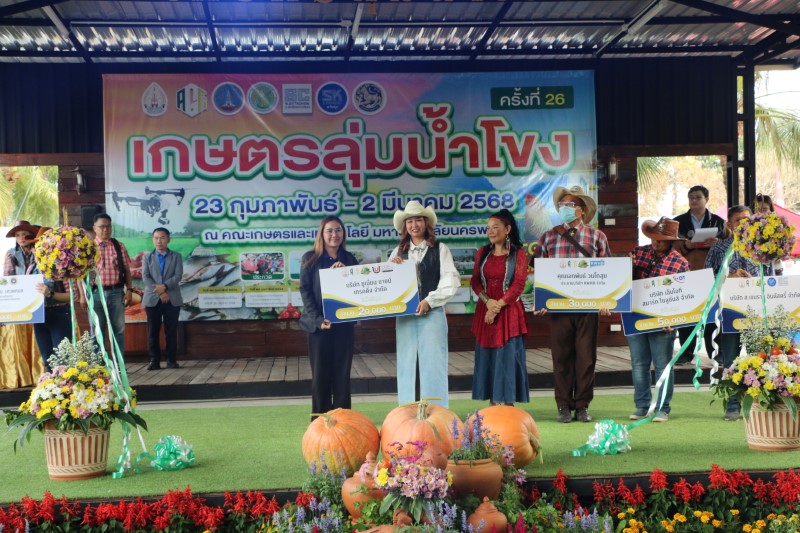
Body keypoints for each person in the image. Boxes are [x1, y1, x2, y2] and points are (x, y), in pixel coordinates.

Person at [534, 185, 611, 423]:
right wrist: (541, 300)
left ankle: (582, 405)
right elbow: (537, 272)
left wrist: (606, 301)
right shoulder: (548, 237)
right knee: (561, 358)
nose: (564, 208)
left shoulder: (597, 236)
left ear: (582, 210)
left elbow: (608, 271)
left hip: (588, 308)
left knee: (586, 358)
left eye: (570, 204)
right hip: (558, 308)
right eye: (562, 204)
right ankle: (563, 405)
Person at [705, 205, 773, 421]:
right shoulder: (718, 249)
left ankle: (760, 403)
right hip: (728, 313)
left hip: (756, 312)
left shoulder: (762, 247)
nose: (743, 224)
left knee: (758, 358)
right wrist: (728, 277)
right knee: (731, 360)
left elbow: (771, 278)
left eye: (747, 219)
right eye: (738, 220)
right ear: (729, 224)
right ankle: (733, 405)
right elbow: (706, 279)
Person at [389, 200, 460, 407]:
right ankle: (408, 412)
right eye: (410, 221)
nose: (414, 225)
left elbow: (451, 280)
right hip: (405, 318)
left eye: (418, 220)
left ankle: (437, 411)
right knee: (407, 363)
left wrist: (429, 301)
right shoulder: (397, 252)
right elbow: (388, 286)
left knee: (434, 363)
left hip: (433, 314)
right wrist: (391, 269)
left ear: (426, 223)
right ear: (405, 226)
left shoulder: (440, 249)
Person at [626, 217, 689, 423]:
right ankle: (642, 406)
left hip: (664, 320)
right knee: (639, 364)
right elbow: (624, 281)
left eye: (661, 239)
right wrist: (626, 266)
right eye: (654, 238)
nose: (656, 242)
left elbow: (684, 296)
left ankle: (662, 408)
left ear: (671, 241)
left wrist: (675, 319)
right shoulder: (638, 253)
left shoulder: (680, 263)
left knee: (662, 365)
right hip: (635, 315)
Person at [299, 216, 359, 418]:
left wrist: (345, 275)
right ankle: (319, 422)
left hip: (343, 326)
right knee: (320, 376)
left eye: (338, 230)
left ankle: (343, 421)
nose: (335, 235)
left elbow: (357, 290)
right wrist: (318, 320)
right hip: (318, 327)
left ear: (343, 234)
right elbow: (306, 291)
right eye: (330, 231)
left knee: (342, 375)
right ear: (322, 234)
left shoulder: (350, 259)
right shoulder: (310, 258)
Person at [470, 209, 530, 405]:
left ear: (507, 229)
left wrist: (497, 307)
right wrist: (488, 302)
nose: (490, 231)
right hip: (485, 309)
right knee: (488, 357)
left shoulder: (518, 254)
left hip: (508, 311)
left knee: (507, 356)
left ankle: (508, 405)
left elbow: (518, 284)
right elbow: (475, 282)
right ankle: (493, 404)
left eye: (495, 227)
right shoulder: (483, 252)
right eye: (488, 228)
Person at [672, 185, 727, 363]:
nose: (694, 201)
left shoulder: (719, 222)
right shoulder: (677, 222)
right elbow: (669, 246)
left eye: (698, 197)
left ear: (707, 199)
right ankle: (686, 353)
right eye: (691, 197)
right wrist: (684, 244)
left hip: (711, 274)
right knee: (687, 314)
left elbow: (730, 244)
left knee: (712, 314)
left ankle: (716, 352)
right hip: (687, 273)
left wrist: (717, 242)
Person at [0, 220, 44, 388]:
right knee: (19, 337)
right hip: (19, 302)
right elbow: (8, 279)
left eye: (25, 234)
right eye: (18, 235)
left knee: (38, 336)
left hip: (38, 300)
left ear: (32, 235)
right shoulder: (11, 254)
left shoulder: (40, 252)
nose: (21, 238)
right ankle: (22, 377)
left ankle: (40, 375)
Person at [28, 227, 75, 370]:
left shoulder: (62, 267)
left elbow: (72, 296)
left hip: (59, 313)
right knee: (47, 360)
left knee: (63, 360)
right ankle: (52, 384)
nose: (41, 249)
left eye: (46, 245)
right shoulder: (31, 269)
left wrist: (50, 294)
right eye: (38, 245)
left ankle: (65, 384)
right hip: (39, 316)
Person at [88, 213, 132, 355]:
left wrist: (129, 290)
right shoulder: (88, 248)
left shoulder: (119, 246)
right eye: (102, 226)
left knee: (118, 331)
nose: (105, 230)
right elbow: (81, 274)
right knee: (96, 331)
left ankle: (119, 364)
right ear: (94, 228)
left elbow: (127, 270)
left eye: (108, 226)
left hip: (116, 293)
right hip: (95, 294)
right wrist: (82, 296)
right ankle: (98, 366)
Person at [141, 227, 183, 370]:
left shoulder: (176, 256)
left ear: (168, 239)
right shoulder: (147, 257)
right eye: (156, 238)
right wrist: (160, 292)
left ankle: (171, 360)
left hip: (172, 298)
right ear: (153, 240)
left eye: (162, 238)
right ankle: (154, 361)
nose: (159, 241)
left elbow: (178, 276)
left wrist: (164, 287)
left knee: (171, 331)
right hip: (153, 299)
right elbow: (145, 277)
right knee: (153, 332)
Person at [752, 193, 783, 275]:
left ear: (771, 210)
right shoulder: (749, 228)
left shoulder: (778, 226)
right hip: (754, 271)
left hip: (775, 269)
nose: (761, 213)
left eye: (765, 209)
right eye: (758, 209)